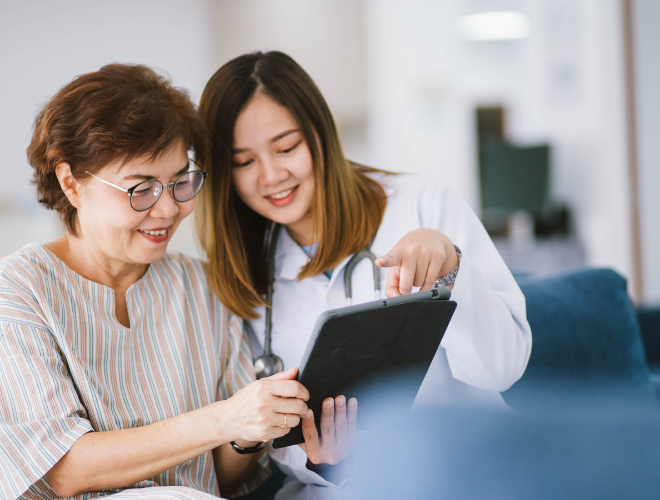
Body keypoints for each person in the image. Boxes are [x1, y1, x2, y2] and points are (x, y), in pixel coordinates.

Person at [0, 64, 311, 500]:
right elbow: (63, 470)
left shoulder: (198, 288)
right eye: (141, 189)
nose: (167, 211)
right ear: (72, 184)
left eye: (180, 182)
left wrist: (249, 431)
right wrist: (222, 419)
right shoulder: (16, 293)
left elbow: (220, 476)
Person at [196, 51, 533, 500]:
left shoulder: (422, 204)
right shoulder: (243, 275)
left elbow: (502, 368)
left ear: (320, 134)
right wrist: (328, 463)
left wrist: (452, 266)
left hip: (468, 467)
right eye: (243, 162)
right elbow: (269, 442)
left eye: (286, 147)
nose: (272, 175)